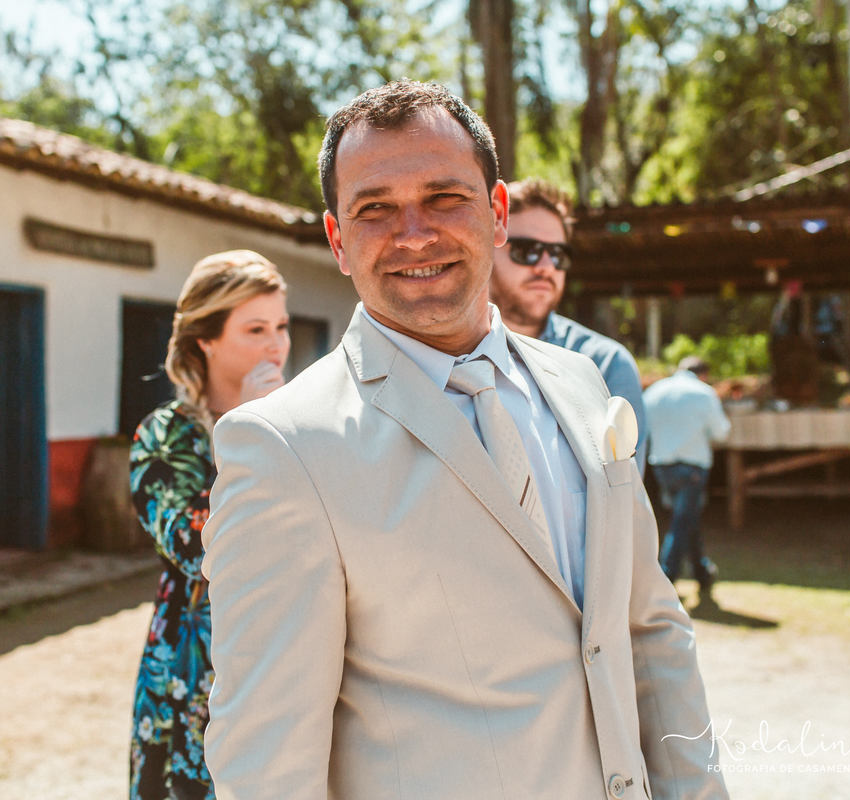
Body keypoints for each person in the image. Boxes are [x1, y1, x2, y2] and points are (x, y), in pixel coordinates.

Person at [201, 81, 725, 799]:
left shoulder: (581, 386)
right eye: (374, 209)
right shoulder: (282, 449)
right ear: (338, 241)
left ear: (498, 212)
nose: (414, 233)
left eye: (444, 197)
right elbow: (267, 763)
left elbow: (651, 632)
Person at [128, 250, 290, 800]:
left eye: (281, 326)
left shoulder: (301, 423)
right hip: (194, 673)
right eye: (255, 329)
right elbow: (195, 548)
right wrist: (247, 431)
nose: (276, 345)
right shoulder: (165, 436)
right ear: (207, 340)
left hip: (288, 660)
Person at [489, 178, 649, 472]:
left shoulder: (605, 365)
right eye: (527, 250)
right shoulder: (445, 355)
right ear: (485, 249)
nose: (546, 267)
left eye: (558, 254)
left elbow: (622, 490)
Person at [643, 356, 731, 596]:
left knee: (687, 518)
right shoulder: (704, 393)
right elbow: (721, 433)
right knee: (682, 522)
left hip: (661, 465)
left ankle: (702, 572)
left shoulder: (654, 392)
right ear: (703, 374)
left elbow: (643, 429)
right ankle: (666, 577)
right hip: (692, 467)